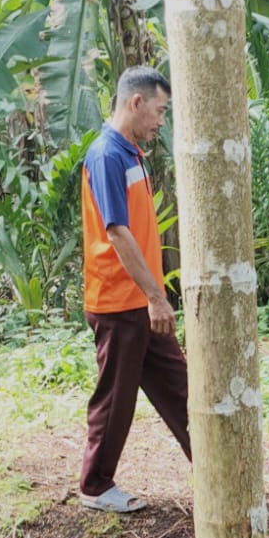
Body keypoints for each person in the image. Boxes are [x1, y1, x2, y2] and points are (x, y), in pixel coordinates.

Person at [78, 66, 193, 513]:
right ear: (137, 102)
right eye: (160, 110)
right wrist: (155, 295)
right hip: (119, 300)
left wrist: (153, 296)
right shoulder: (107, 154)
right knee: (116, 396)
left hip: (142, 301)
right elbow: (117, 233)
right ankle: (94, 484)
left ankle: (212, 467)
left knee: (180, 388)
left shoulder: (131, 154)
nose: (161, 121)